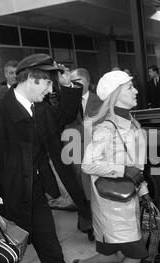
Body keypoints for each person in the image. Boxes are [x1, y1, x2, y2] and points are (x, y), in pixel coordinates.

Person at [0, 53, 91, 263]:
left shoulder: (41, 109)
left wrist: (67, 85)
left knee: (53, 257)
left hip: (35, 198)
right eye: (47, 84)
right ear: (32, 79)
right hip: (2, 201)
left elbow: (65, 115)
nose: (49, 90)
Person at [71, 70, 152, 263]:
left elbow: (138, 168)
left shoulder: (133, 124)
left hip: (130, 199)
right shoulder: (106, 128)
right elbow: (88, 164)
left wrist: (144, 193)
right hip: (112, 204)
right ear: (116, 95)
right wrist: (122, 169)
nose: (135, 90)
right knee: (135, 253)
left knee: (119, 254)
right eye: (129, 87)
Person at [69, 68, 102, 241]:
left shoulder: (100, 101)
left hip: (96, 149)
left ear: (88, 82)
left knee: (94, 187)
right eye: (72, 82)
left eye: (78, 82)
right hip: (75, 149)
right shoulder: (68, 101)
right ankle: (87, 224)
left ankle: (95, 224)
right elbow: (66, 125)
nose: (75, 85)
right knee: (80, 188)